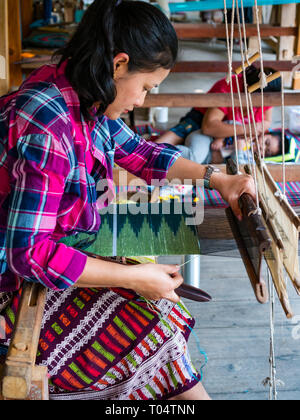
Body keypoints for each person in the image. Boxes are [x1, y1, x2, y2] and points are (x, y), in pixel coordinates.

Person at [0, 0, 255, 401]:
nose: (142, 101)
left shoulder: (83, 96)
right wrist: (133, 277)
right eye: (147, 87)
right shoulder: (48, 123)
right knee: (153, 329)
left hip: (49, 257)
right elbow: (28, 255)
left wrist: (218, 178)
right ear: (119, 64)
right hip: (13, 288)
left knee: (162, 316)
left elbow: (141, 153)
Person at [155, 65, 281, 165]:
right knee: (160, 147)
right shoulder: (229, 87)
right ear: (249, 89)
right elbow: (209, 127)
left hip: (222, 138)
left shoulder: (266, 96)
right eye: (266, 144)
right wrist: (248, 129)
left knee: (198, 157)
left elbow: (266, 122)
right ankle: (154, 154)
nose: (262, 147)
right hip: (200, 121)